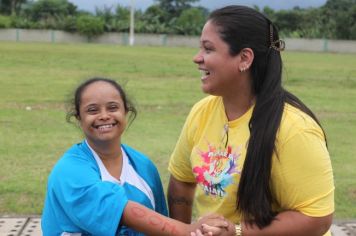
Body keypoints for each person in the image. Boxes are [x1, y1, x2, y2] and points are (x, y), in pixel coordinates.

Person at [167, 5, 334, 236]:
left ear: (244, 58)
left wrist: (236, 231)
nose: (197, 58)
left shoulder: (295, 129)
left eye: (208, 49)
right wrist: (184, 232)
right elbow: (181, 181)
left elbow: (317, 219)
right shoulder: (201, 112)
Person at [41, 77, 228, 236]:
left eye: (112, 107)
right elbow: (121, 210)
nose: (104, 116)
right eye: (92, 110)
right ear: (78, 118)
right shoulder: (69, 170)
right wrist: (187, 230)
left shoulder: (143, 167)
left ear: (126, 112)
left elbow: (162, 225)